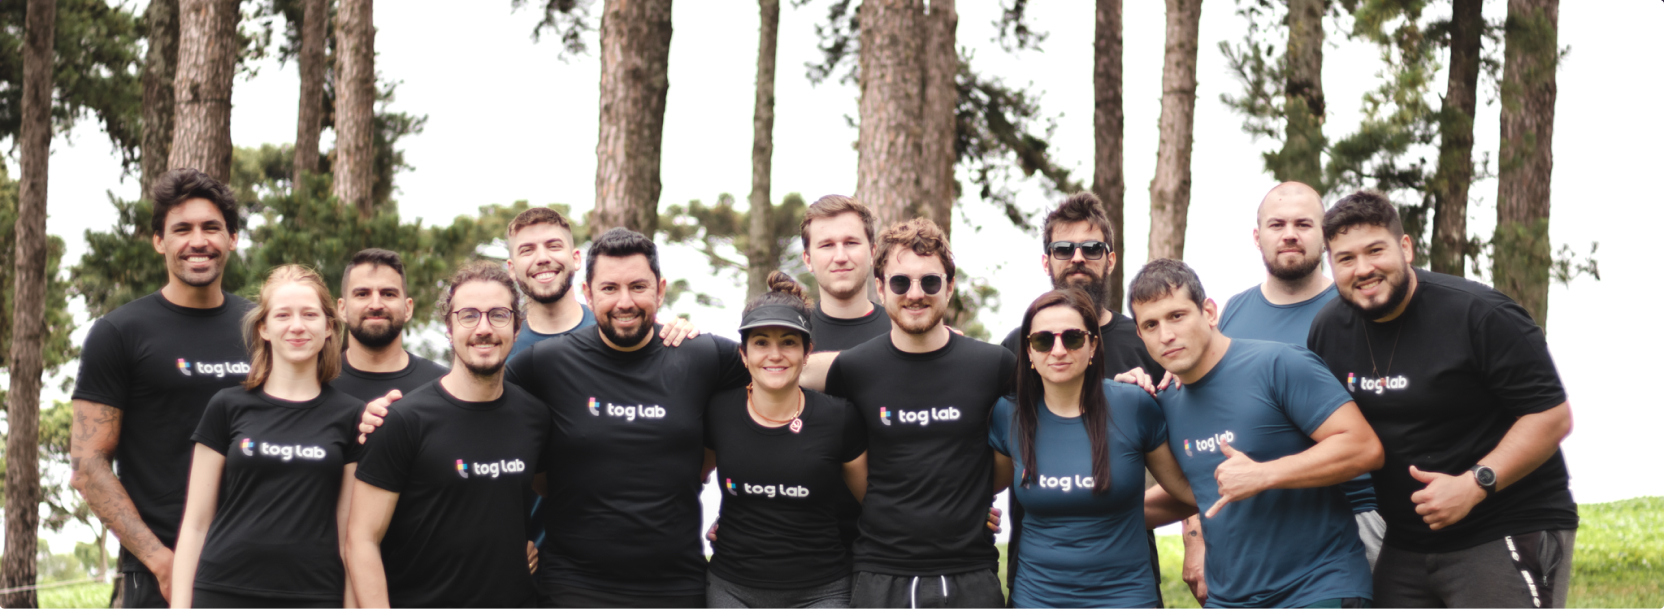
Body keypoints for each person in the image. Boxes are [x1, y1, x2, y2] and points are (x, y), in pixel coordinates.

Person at [1307, 192, 1577, 608]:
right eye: (1345, 258)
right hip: (1408, 539)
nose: (1363, 269)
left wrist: (1475, 483)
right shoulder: (1329, 330)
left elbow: (1551, 417)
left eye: (1375, 250)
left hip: (1504, 522)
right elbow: (1309, 417)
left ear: (1406, 247)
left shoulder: (1479, 314)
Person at [506, 227, 749, 607]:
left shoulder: (700, 355)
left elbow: (780, 376)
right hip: (574, 585)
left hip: (677, 585)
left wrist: (742, 511)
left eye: (638, 287)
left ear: (660, 289)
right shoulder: (545, 364)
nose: (624, 302)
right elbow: (475, 412)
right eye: (609, 289)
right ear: (587, 292)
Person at [1130, 259, 1384, 608]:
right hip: (1229, 597)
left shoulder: (1280, 364)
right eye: (1151, 324)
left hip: (1316, 588)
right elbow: (1198, 491)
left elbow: (1364, 447)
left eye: (1177, 316)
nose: (1166, 335)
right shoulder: (1166, 401)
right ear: (1141, 335)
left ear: (1209, 312)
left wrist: (1264, 474)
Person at [1176, 182, 1383, 604]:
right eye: (1277, 224)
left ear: (1324, 234)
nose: (1290, 233)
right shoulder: (1231, 314)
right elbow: (1207, 433)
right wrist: (1196, 538)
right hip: (1264, 528)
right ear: (1258, 237)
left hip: (1364, 513)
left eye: (1303, 224)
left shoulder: (1357, 308)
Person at [800, 218, 1015, 608]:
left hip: (970, 573)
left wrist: (976, 496)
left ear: (949, 286)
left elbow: (1049, 410)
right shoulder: (854, 369)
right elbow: (770, 375)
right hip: (881, 573)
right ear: (880, 289)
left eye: (930, 282)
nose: (915, 294)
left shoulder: (993, 365)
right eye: (901, 282)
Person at [70, 169, 254, 608]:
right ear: (159, 241)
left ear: (231, 238)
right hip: (161, 573)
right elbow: (88, 464)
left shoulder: (262, 328)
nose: (198, 241)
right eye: (182, 229)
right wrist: (162, 562)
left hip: (257, 566)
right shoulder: (119, 332)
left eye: (211, 227)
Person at [345, 261, 551, 607]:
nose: (483, 328)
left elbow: (561, 494)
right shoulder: (404, 420)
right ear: (448, 326)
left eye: (498, 315)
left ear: (517, 327)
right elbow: (361, 539)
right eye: (468, 315)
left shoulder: (534, 416)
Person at [994, 192, 1165, 603]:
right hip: (1038, 576)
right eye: (1063, 248)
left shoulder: (1147, 340)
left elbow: (1186, 452)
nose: (1077, 258)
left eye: (1091, 248)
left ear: (1111, 258)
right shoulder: (1015, 347)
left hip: (1126, 575)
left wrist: (1192, 541)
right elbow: (992, 457)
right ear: (1046, 261)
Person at [171, 265, 364, 608]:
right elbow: (195, 524)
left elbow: (350, 537)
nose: (297, 326)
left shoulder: (351, 417)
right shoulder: (227, 406)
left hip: (315, 596)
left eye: (309, 314)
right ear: (264, 327)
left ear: (330, 327)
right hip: (223, 592)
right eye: (283, 315)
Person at [989, 288, 1194, 608]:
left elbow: (1188, 491)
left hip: (1126, 598)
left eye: (1072, 338)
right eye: (1043, 340)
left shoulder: (1134, 405)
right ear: (1028, 351)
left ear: (1093, 345)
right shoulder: (1008, 415)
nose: (1058, 350)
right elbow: (980, 488)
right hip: (1036, 599)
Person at [704, 271, 869, 608]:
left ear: (807, 351)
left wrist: (961, 510)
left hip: (821, 591)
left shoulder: (838, 417)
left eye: (788, 342)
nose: (774, 354)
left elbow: (876, 502)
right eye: (761, 342)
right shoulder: (719, 412)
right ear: (743, 353)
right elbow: (684, 481)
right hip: (732, 589)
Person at [332, 248, 448, 403]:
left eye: (388, 294)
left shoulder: (443, 387)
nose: (376, 305)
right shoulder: (317, 383)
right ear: (342, 309)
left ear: (407, 309)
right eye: (362, 294)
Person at [801, 195, 891, 351]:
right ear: (808, 260)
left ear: (872, 253)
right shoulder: (791, 335)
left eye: (851, 243)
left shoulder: (902, 332)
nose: (840, 257)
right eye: (827, 245)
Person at [505, 206, 597, 358]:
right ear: (512, 269)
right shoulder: (501, 348)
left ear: (576, 259)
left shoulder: (610, 331)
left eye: (554, 246)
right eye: (527, 250)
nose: (542, 258)